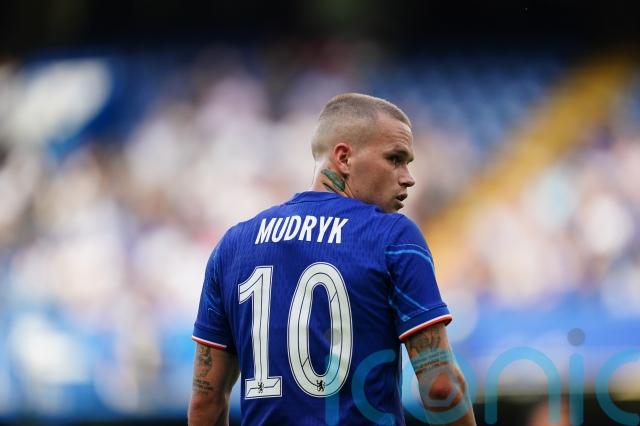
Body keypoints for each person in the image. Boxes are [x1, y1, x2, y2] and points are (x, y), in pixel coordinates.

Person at [188, 93, 476, 425]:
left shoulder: (233, 246)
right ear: (344, 157)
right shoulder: (393, 237)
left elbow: (205, 401)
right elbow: (440, 386)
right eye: (395, 159)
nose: (408, 177)